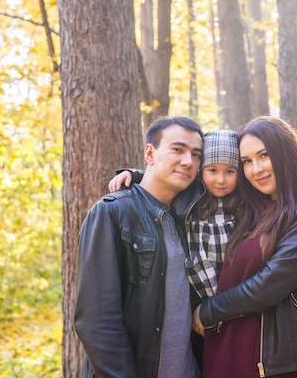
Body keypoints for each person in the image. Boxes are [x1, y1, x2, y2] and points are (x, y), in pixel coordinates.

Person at [192, 116, 297, 378]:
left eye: (264, 155)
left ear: (285, 152)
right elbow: (195, 179)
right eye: (247, 162)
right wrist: (140, 176)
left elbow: (272, 282)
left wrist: (207, 313)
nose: (256, 169)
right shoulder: (248, 207)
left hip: (270, 359)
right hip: (223, 342)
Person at [74, 116, 204, 378]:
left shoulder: (191, 216)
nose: (188, 161)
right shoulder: (112, 213)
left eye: (196, 155)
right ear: (150, 153)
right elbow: (97, 321)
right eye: (177, 150)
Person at [109, 130, 242, 368]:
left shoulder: (244, 203)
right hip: (198, 303)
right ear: (202, 172)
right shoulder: (190, 196)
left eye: (230, 172)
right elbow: (164, 179)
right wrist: (135, 175)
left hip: (233, 301)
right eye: (212, 171)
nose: (220, 180)